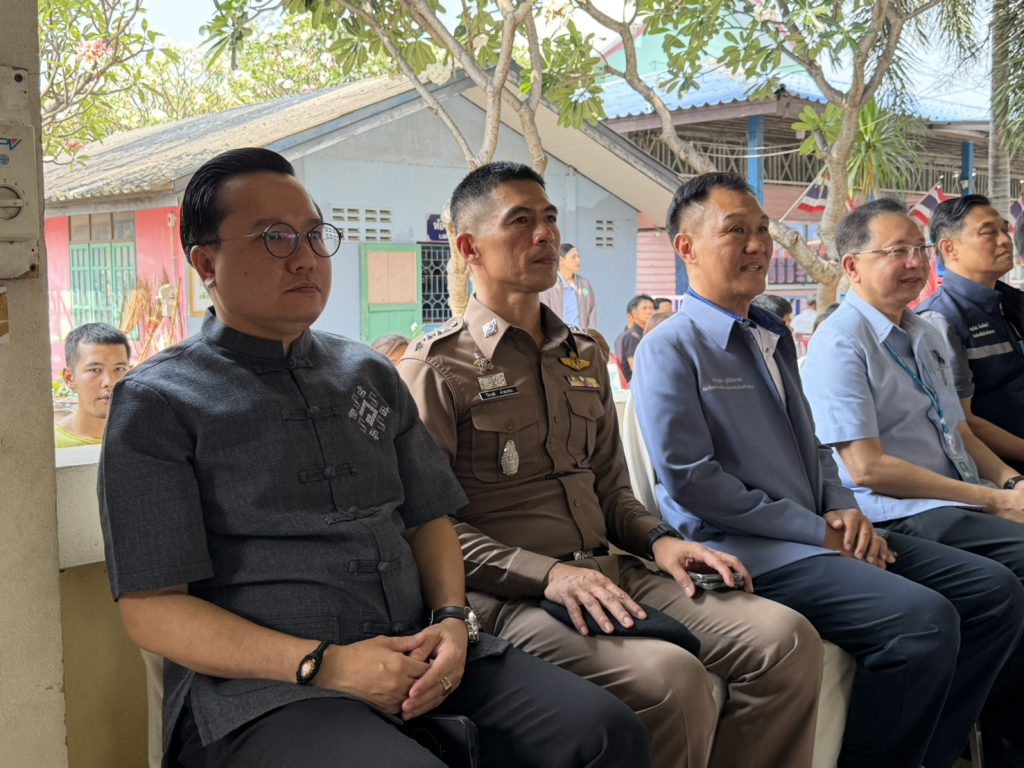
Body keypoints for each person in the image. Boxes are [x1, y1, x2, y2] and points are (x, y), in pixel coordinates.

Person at [98, 148, 650, 768]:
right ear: (206, 263)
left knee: (604, 731)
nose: (305, 257)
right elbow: (152, 610)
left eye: (315, 235)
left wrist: (452, 620)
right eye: (275, 237)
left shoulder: (366, 372)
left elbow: (429, 520)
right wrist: (325, 664)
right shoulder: (159, 402)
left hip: (420, 650)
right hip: (268, 692)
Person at [399, 161, 824, 768]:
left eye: (549, 219)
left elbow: (611, 489)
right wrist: (548, 575)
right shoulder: (437, 368)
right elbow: (428, 527)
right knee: (670, 679)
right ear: (469, 248)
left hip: (612, 570)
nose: (546, 235)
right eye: (520, 221)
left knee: (787, 641)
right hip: (512, 597)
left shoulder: (581, 355)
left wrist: (660, 541)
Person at [632, 173, 1024, 768]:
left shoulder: (770, 334)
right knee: (923, 622)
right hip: (744, 546)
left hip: (820, 530)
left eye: (762, 230)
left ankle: (938, 754)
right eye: (736, 231)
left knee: (993, 592)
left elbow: (816, 447)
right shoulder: (670, 346)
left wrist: (840, 507)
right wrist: (819, 531)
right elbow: (694, 483)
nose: (758, 245)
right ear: (686, 248)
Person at [801, 197, 1024, 766]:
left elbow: (960, 430)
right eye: (895, 251)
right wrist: (991, 502)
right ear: (851, 266)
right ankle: (973, 741)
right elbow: (866, 468)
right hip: (900, 512)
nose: (914, 263)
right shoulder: (840, 341)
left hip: (958, 501)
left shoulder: (924, 332)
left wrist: (1009, 483)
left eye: (918, 250)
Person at [915, 194, 1024, 472]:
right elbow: (963, 421)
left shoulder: (1012, 302)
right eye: (988, 232)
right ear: (949, 248)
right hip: (1000, 473)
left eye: (1004, 230)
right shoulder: (940, 319)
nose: (1005, 240)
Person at [54, 322, 131, 448]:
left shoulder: (143, 438)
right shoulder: (51, 447)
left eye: (119, 369)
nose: (110, 382)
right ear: (69, 378)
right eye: (95, 370)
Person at [538, 243, 597, 328]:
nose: (578, 260)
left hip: (581, 334)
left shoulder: (584, 284)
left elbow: (592, 312)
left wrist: (590, 333)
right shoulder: (549, 285)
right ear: (561, 260)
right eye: (573, 257)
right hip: (559, 334)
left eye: (578, 256)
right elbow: (544, 315)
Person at [613, 294, 654, 383]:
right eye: (644, 308)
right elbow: (635, 368)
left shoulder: (645, 333)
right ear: (635, 313)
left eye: (651, 308)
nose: (649, 311)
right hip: (634, 384)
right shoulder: (633, 335)